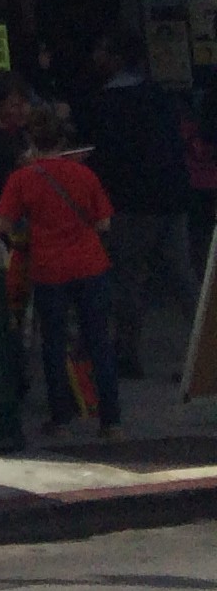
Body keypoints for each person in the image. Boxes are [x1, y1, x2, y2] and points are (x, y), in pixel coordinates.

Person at [74, 35, 201, 381]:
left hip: (133, 201)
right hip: (172, 197)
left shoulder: (110, 102)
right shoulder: (159, 96)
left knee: (128, 276)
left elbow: (111, 157)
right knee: (181, 275)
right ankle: (206, 349)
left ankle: (128, 352)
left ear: (114, 57)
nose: (96, 55)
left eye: (101, 49)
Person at [0, 103, 122, 439]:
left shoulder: (22, 178)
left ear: (31, 141)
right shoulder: (85, 174)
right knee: (98, 340)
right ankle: (111, 421)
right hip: (91, 264)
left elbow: (2, 223)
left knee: (52, 343)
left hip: (49, 268)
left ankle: (61, 417)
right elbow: (105, 222)